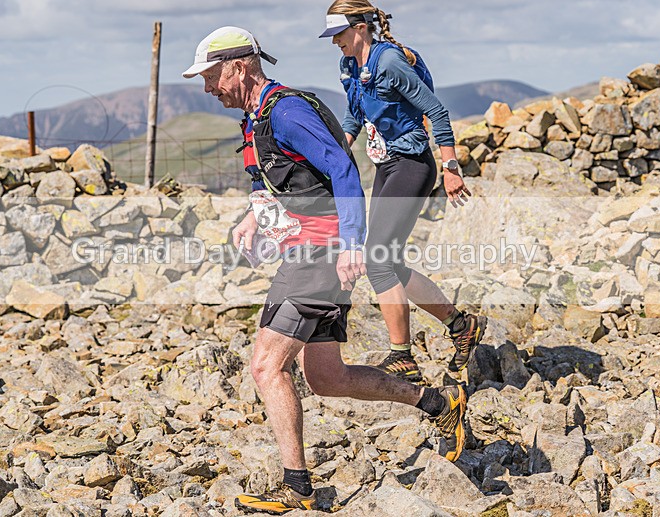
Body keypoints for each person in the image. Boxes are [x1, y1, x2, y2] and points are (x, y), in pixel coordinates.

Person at [183, 26, 468, 513]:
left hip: (320, 255)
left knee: (266, 366)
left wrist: (353, 244)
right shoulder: (256, 119)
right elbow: (272, 178)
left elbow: (342, 168)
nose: (209, 87)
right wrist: (254, 216)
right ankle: (439, 404)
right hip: (308, 253)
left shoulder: (288, 112)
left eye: (212, 76)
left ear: (241, 66)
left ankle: (297, 488)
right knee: (327, 377)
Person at [320, 0, 487, 384]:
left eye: (339, 33)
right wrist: (336, 153)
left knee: (376, 259)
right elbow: (353, 115)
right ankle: (461, 325)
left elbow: (436, 111)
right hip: (385, 165)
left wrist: (450, 167)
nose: (335, 42)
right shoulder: (349, 65)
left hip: (413, 165)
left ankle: (402, 356)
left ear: (360, 28)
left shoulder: (390, 62)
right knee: (388, 261)